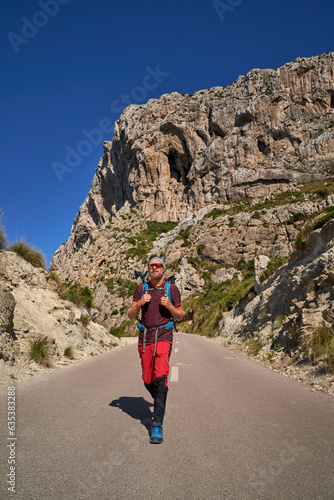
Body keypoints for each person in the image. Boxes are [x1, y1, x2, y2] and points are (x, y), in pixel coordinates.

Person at [127, 256, 184, 444]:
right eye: (151, 265)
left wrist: (169, 306)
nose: (154, 268)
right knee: (147, 378)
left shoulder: (171, 289)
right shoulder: (141, 289)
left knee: (160, 376)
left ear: (163, 269)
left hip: (164, 336)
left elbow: (180, 315)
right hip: (145, 337)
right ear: (148, 269)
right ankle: (161, 399)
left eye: (158, 265)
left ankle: (157, 424)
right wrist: (140, 303)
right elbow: (130, 315)